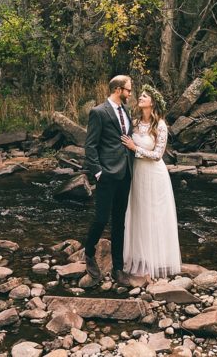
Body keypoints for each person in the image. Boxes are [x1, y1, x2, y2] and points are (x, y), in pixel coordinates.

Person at [120, 85, 181, 279]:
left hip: (154, 174)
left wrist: (134, 147)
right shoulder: (135, 122)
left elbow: (157, 155)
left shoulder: (160, 125)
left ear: (152, 102)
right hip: (137, 173)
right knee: (138, 212)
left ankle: (156, 259)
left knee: (153, 214)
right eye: (141, 95)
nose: (141, 97)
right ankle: (138, 257)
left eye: (145, 96)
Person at [83, 75, 134, 286]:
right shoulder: (98, 112)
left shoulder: (126, 112)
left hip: (125, 174)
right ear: (118, 89)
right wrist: (98, 172)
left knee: (119, 222)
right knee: (101, 218)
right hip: (106, 174)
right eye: (128, 90)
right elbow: (90, 145)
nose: (130, 94)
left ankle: (118, 269)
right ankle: (88, 252)